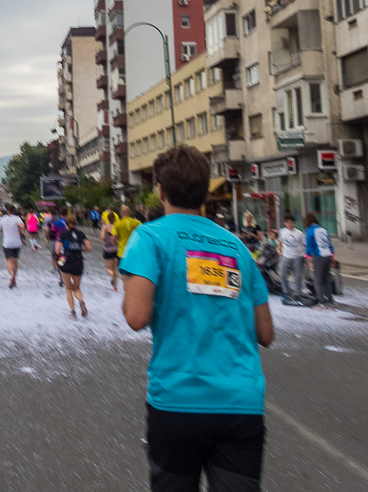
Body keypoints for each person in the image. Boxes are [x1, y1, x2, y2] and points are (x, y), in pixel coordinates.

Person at [121, 146, 274, 492]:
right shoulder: (236, 247)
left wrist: (133, 281)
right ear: (205, 191)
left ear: (159, 190)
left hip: (178, 403)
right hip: (241, 406)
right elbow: (265, 333)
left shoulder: (149, 238)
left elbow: (135, 315)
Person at [56, 214, 92, 318]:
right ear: (76, 223)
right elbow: (89, 248)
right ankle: (80, 301)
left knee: (68, 288)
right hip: (78, 260)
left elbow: (57, 251)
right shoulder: (81, 234)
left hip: (65, 259)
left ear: (66, 223)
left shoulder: (63, 234)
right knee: (76, 288)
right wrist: (80, 250)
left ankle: (73, 312)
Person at [305, 213, 335, 309]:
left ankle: (322, 302)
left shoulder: (310, 230)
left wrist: (307, 257)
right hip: (328, 255)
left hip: (319, 256)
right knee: (325, 280)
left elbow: (309, 245)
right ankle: (330, 301)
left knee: (318, 281)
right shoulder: (323, 229)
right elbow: (330, 244)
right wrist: (332, 255)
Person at [276, 214, 306, 302]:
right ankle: (286, 291)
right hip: (286, 255)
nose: (290, 224)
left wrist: (304, 256)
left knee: (298, 276)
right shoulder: (282, 232)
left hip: (297, 256)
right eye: (288, 222)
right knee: (282, 274)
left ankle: (298, 293)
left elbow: (304, 244)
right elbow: (279, 243)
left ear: (295, 223)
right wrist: (278, 250)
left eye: (292, 222)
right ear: (285, 223)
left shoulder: (299, 233)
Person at [0, 204, 25, 288]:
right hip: (16, 242)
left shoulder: (2, 219)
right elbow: (22, 225)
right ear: (14, 211)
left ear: (7, 211)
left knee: (9, 261)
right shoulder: (17, 218)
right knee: (15, 261)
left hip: (7, 243)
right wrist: (21, 231)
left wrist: (3, 229)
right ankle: (14, 278)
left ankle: (11, 276)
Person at [101, 211, 120, 291]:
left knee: (108, 269)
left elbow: (102, 237)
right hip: (117, 249)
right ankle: (115, 287)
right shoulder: (117, 226)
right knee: (115, 268)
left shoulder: (105, 226)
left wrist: (106, 239)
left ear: (107, 218)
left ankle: (111, 275)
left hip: (108, 249)